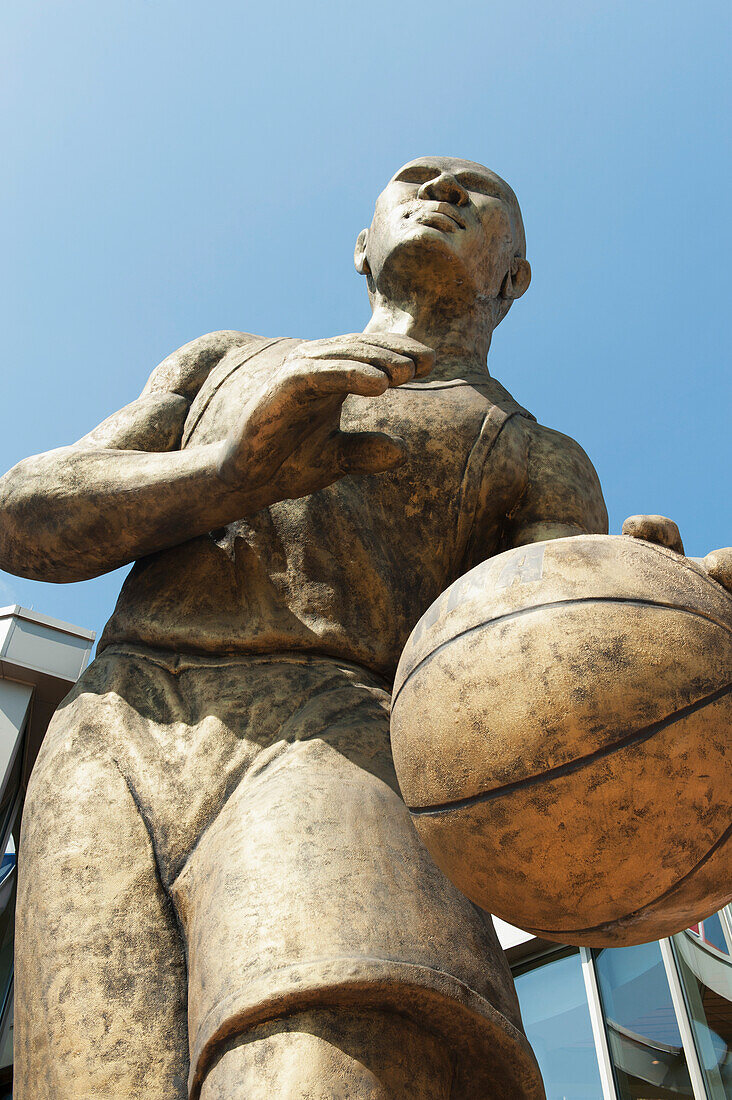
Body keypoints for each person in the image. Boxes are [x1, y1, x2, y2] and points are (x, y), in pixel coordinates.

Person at [2, 156, 725, 1099]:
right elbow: (25, 514)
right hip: (113, 736)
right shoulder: (230, 361)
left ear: (515, 278)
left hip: (342, 741)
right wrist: (228, 472)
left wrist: (671, 632)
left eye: (479, 190)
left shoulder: (537, 456)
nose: (444, 192)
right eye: (416, 179)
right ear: (361, 245)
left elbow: (545, 689)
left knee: (322, 1066)